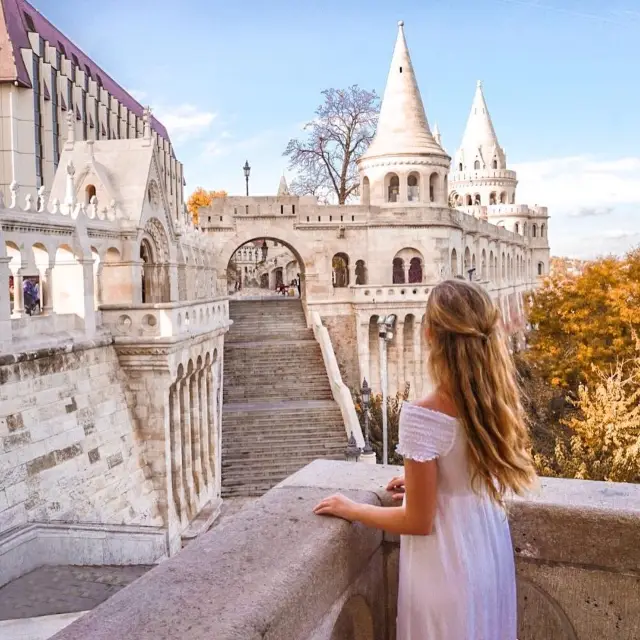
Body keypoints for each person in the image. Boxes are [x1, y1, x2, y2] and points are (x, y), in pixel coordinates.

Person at [314, 279, 537, 639]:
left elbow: (418, 520)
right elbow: (468, 472)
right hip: (488, 552)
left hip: (444, 564)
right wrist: (433, 484)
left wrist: (351, 509)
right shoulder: (496, 401)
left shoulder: (422, 414)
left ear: (430, 333)